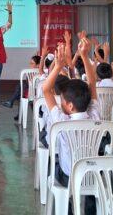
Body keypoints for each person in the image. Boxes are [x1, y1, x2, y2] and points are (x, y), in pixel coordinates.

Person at [43, 38, 100, 214]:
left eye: (62, 100)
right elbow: (91, 84)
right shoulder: (95, 115)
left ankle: (67, 208)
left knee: (55, 167)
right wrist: (84, 55)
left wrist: (58, 66)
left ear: (69, 106)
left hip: (69, 177)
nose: (60, 103)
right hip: (93, 176)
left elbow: (46, 90)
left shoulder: (61, 121)